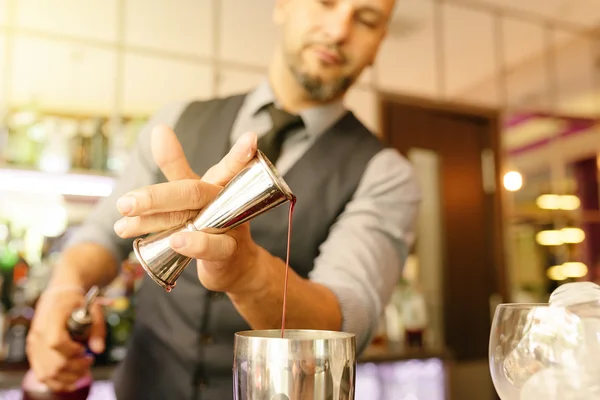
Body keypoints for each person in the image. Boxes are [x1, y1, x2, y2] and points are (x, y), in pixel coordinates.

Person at [26, 0, 421, 398]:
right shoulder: (179, 119)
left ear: (379, 43)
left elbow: (347, 320)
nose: (339, 30)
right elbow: (102, 233)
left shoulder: (386, 174)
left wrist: (246, 272)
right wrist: (64, 288)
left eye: (367, 19)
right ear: (283, 5)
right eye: (326, 2)